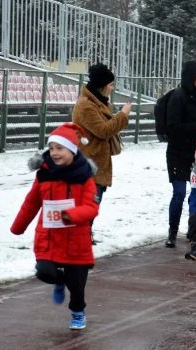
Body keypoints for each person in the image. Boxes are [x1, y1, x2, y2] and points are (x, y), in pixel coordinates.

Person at [10, 123, 99, 330]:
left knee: (77, 286)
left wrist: (71, 215)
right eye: (51, 148)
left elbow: (91, 207)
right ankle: (59, 281)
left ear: (73, 150)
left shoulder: (84, 177)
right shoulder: (44, 174)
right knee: (44, 272)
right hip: (48, 237)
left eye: (60, 148)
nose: (55, 153)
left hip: (76, 240)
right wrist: (18, 226)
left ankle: (78, 311)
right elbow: (31, 202)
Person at [72, 63, 131, 241]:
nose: (112, 88)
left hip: (98, 160)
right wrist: (123, 115)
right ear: (103, 85)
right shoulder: (86, 106)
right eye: (111, 84)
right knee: (90, 202)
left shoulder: (98, 103)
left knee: (93, 202)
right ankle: (81, 236)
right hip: (89, 162)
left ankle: (85, 234)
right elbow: (104, 130)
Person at [165, 61, 196, 248]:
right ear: (190, 76)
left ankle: (192, 230)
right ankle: (172, 232)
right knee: (179, 193)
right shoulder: (178, 97)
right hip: (178, 152)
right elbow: (173, 127)